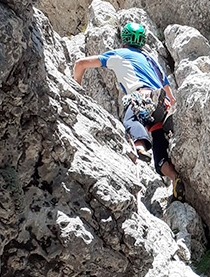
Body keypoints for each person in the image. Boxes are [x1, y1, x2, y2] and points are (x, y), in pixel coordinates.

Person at [73, 21, 182, 198]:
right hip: (163, 105)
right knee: (160, 155)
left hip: (142, 98)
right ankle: (175, 177)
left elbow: (80, 64)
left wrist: (74, 90)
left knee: (131, 119)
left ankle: (140, 146)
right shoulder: (152, 61)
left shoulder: (119, 54)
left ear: (124, 40)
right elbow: (171, 96)